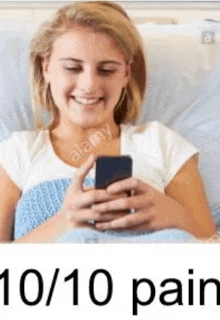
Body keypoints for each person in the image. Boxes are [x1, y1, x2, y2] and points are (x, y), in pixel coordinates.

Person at [0, 1, 217, 243]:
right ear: (46, 67)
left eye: (106, 70)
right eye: (72, 67)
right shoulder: (17, 154)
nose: (89, 86)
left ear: (126, 74)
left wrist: (175, 216)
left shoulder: (162, 145)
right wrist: (61, 223)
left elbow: (211, 252)